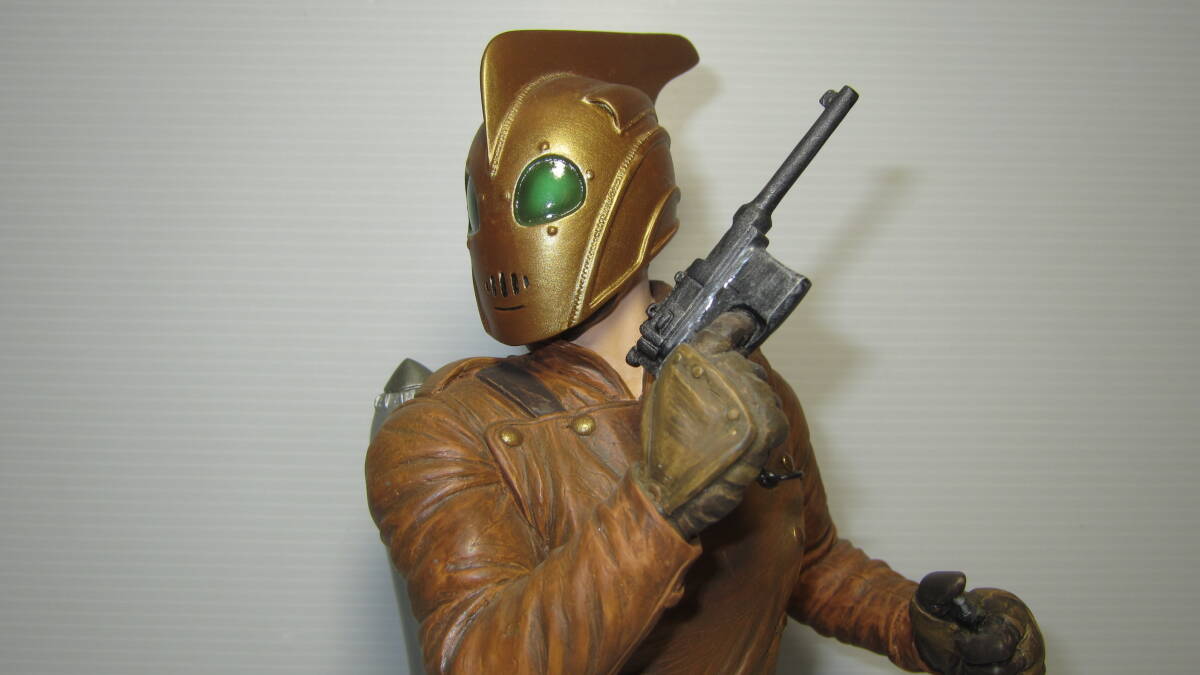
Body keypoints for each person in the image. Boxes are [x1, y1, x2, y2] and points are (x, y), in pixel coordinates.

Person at [366, 30, 1044, 674]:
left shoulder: (735, 377)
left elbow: (810, 558)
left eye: (544, 192)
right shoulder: (443, 432)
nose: (501, 232)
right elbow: (481, 656)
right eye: (482, 206)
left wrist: (915, 625)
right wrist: (659, 507)